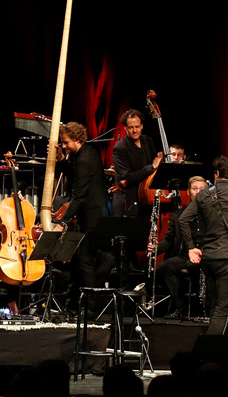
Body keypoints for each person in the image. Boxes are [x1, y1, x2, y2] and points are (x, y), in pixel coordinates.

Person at [179, 155, 228, 334]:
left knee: (216, 306)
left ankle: (217, 354)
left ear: (216, 174)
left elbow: (183, 220)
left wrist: (191, 247)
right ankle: (209, 354)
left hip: (208, 258)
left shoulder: (203, 195)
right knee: (223, 309)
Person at [56, 122, 113, 291]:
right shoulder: (83, 153)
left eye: (66, 142)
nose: (64, 146)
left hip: (94, 217)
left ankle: (91, 306)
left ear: (77, 139)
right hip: (89, 215)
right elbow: (73, 173)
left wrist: (62, 222)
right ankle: (76, 302)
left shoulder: (85, 159)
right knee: (79, 260)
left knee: (85, 261)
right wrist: (60, 159)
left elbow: (79, 196)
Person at [152, 175, 207, 319]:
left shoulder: (212, 213)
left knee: (193, 266)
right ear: (188, 192)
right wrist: (155, 248)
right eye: (195, 189)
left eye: (202, 189)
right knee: (165, 266)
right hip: (186, 256)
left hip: (208, 255)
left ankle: (202, 307)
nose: (198, 192)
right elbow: (169, 239)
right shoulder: (179, 215)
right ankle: (180, 305)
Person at [112, 109, 163, 217]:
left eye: (137, 126)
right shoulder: (120, 148)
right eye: (130, 127)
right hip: (128, 200)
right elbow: (127, 176)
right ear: (125, 128)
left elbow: (155, 165)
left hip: (146, 196)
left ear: (142, 126)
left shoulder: (148, 141)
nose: (134, 130)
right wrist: (152, 167)